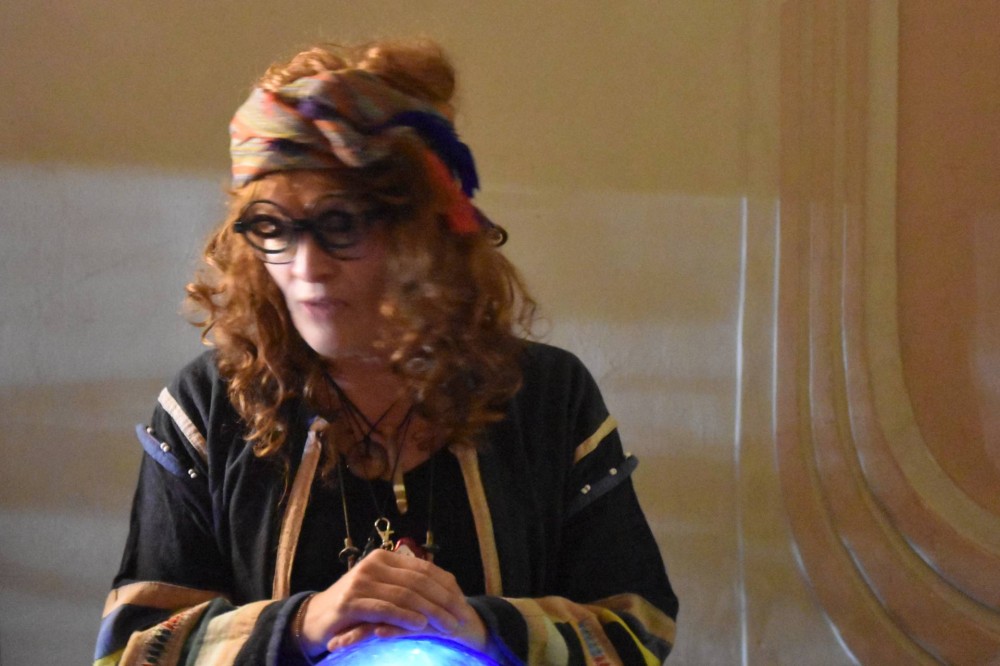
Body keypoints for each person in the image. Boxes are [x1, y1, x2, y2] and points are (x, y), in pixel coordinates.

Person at [94, 39, 678, 666]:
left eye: (341, 224)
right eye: (272, 227)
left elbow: (636, 629)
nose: (306, 267)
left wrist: (485, 631)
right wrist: (302, 625)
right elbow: (135, 648)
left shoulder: (544, 395)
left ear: (423, 233)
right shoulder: (211, 405)